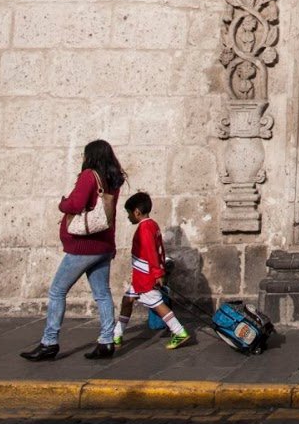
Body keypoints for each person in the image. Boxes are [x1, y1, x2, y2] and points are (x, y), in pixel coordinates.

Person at [20, 140, 126, 361]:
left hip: (83, 247)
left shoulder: (89, 175)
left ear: (91, 156)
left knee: (57, 291)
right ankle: (106, 341)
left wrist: (62, 204)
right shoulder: (113, 181)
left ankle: (49, 342)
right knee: (102, 294)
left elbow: (75, 204)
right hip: (103, 246)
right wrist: (112, 246)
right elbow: (110, 217)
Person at [112, 192, 190, 350]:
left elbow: (151, 252)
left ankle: (179, 331)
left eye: (129, 214)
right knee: (127, 301)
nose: (128, 218)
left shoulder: (144, 228)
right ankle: (117, 334)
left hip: (145, 277)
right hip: (141, 276)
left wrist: (157, 273)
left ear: (136, 212)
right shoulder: (152, 225)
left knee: (157, 304)